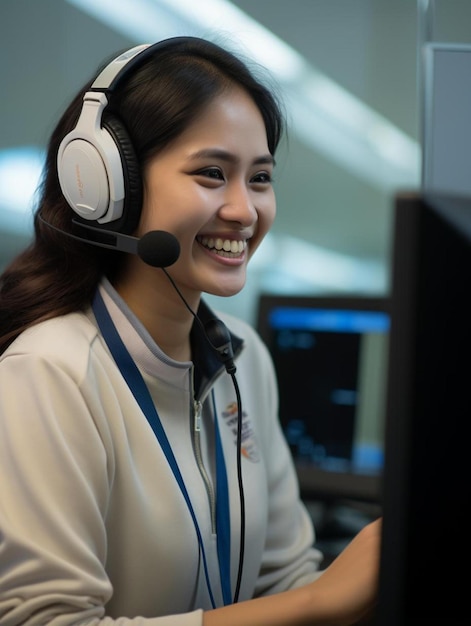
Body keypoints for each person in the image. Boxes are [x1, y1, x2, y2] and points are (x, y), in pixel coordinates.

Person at [0, 36, 380, 625]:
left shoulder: (242, 361)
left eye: (259, 178)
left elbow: (285, 580)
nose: (244, 210)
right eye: (211, 173)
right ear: (104, 185)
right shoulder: (51, 373)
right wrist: (318, 600)